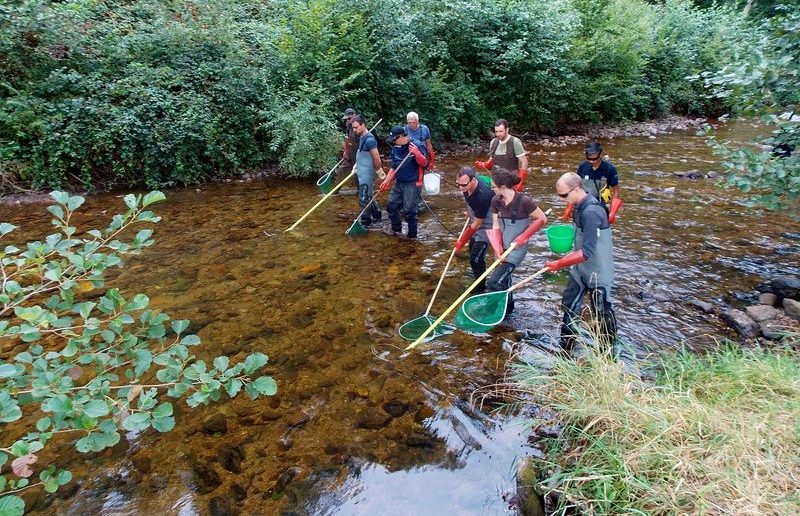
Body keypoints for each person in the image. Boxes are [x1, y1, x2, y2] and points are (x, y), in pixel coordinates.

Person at [546, 172, 617, 354]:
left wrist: (559, 263)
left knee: (602, 313)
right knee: (569, 305)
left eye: (564, 195)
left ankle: (607, 354)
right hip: (580, 269)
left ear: (577, 189)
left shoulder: (592, 212)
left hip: (598, 271)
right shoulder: (578, 205)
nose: (562, 199)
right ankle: (566, 348)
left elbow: (587, 251)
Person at [484, 169, 548, 314]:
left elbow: (542, 218)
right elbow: (495, 225)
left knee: (494, 282)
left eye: (493, 186)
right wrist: (497, 249)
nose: (492, 189)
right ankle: (509, 310)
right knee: (503, 280)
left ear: (502, 187)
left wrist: (524, 236)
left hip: (516, 250)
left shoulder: (524, 201)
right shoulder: (496, 201)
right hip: (501, 248)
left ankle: (496, 313)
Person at [379, 126, 428, 239]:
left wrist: (417, 153)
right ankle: (396, 229)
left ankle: (412, 236)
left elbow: (424, 164)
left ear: (401, 137)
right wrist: (387, 181)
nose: (393, 142)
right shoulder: (396, 147)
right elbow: (394, 167)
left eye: (394, 139)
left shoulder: (417, 145)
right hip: (399, 182)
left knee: (409, 211)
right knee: (391, 205)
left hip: (412, 183)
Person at [453, 166, 494, 292]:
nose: (461, 188)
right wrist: (469, 212)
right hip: (477, 217)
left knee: (475, 258)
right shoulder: (466, 186)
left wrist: (461, 241)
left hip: (488, 225)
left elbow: (477, 224)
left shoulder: (483, 196)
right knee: (472, 250)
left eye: (464, 185)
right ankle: (478, 275)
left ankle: (481, 288)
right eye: (458, 184)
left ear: (473, 180)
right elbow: (469, 200)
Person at [561, 142, 623, 223]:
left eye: (594, 159)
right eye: (588, 158)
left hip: (599, 207)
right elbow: (575, 188)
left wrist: (612, 213)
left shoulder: (609, 169)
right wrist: (569, 207)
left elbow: (616, 191)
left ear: (599, 154)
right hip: (581, 206)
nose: (591, 161)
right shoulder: (583, 167)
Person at [474, 119, 529, 192]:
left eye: (501, 131)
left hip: (510, 182)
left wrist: (520, 182)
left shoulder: (514, 142)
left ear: (507, 130)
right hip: (496, 182)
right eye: (496, 131)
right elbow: (491, 161)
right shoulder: (493, 142)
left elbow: (524, 162)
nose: (498, 134)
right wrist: (484, 164)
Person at [352, 115, 385, 226]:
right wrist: (357, 165)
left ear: (363, 125)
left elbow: (377, 159)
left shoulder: (370, 140)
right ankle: (377, 214)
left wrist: (379, 171)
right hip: (361, 172)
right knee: (369, 195)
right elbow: (362, 155)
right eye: (353, 127)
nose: (354, 129)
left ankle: (365, 222)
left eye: (356, 127)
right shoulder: (362, 137)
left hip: (367, 174)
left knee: (363, 198)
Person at [337, 108, 360, 184]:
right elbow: (347, 138)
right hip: (349, 151)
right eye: (347, 119)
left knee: (357, 174)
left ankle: (361, 192)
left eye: (349, 118)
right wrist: (345, 151)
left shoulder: (359, 125)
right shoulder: (348, 125)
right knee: (342, 170)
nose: (348, 120)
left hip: (357, 154)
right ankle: (334, 191)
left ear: (354, 115)